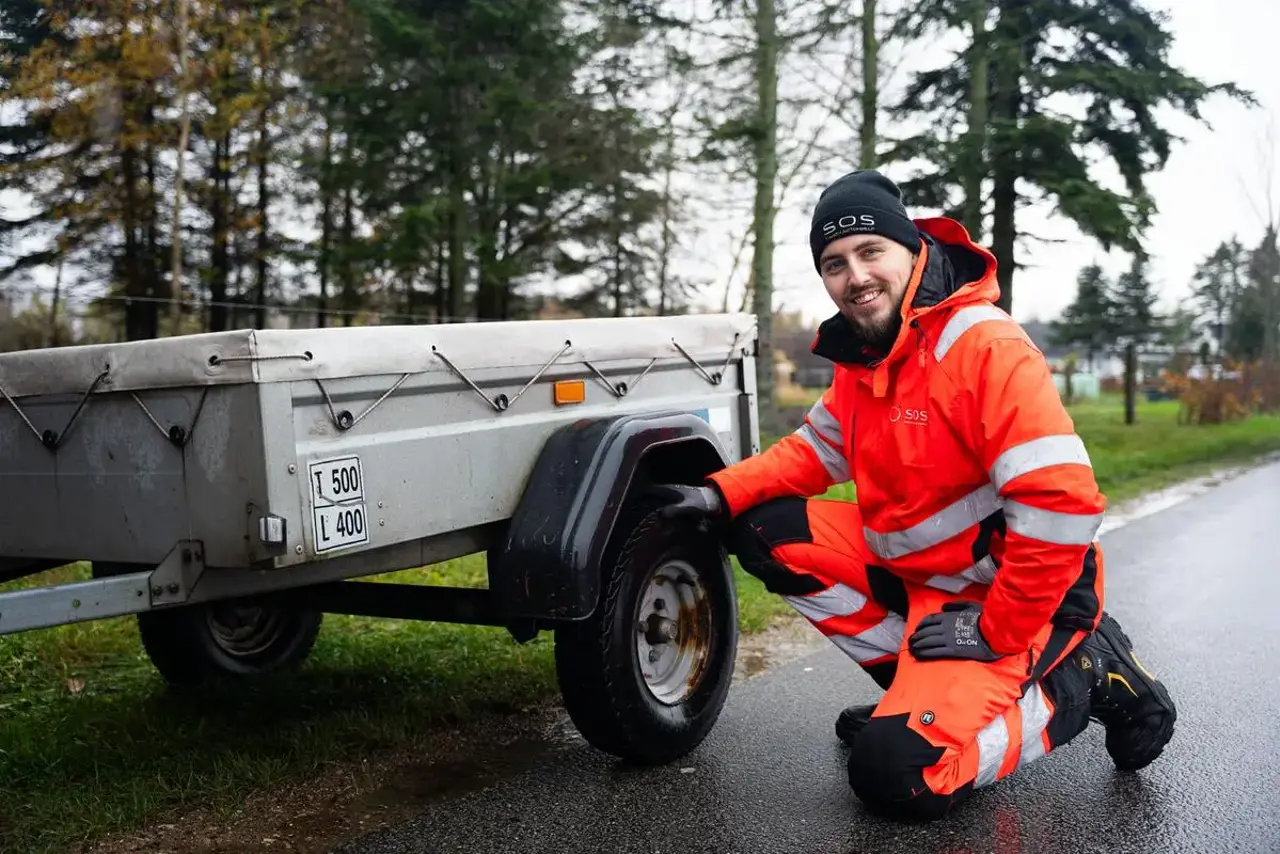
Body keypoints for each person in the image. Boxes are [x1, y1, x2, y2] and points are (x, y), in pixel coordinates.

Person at [650, 169, 1177, 821]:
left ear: (912, 250)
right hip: (932, 584)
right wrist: (715, 497)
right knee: (762, 529)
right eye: (834, 263)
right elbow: (811, 454)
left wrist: (992, 629)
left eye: (871, 252)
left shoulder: (986, 346)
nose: (855, 276)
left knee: (896, 773)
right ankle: (917, 691)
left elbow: (1062, 506)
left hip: (1020, 600)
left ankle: (1087, 675)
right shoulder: (867, 362)